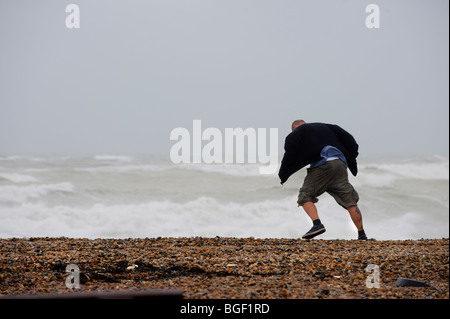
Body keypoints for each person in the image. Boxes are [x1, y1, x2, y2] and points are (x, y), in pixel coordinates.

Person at [278, 119, 367, 240]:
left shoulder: (297, 132)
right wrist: (351, 155)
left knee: (305, 196)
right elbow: (351, 141)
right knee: (350, 201)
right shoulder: (328, 127)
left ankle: (317, 224)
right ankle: (362, 234)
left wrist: (283, 173)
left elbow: (290, 152)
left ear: (294, 128)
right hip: (340, 164)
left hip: (322, 165)